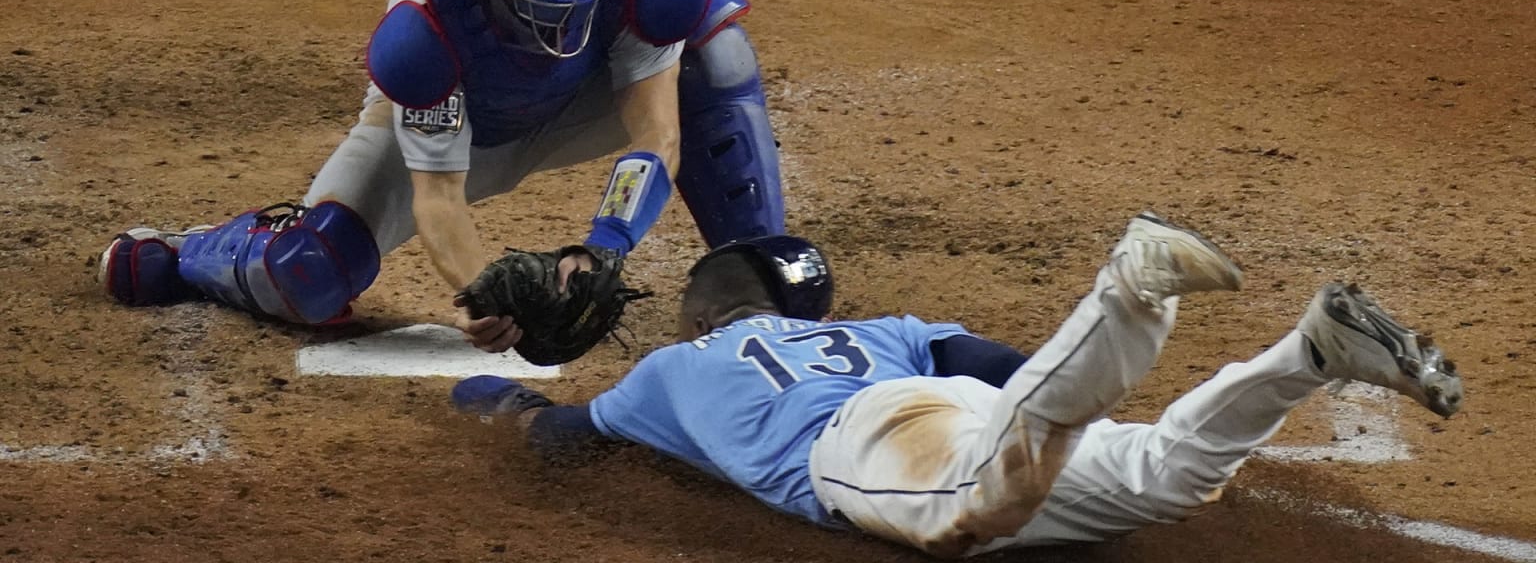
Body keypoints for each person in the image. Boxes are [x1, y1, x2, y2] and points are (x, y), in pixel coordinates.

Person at [97, 0, 786, 352]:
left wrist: (605, 245)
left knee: (714, 54)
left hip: (577, 103)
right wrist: (483, 295)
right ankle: (197, 255)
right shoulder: (428, 26)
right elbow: (439, 195)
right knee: (306, 273)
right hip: (466, 130)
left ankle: (769, 289)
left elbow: (655, 137)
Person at [452, 213, 1465, 557]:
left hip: (869, 450)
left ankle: (1132, 286)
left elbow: (557, 439)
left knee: (969, 514)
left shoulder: (671, 369)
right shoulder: (880, 329)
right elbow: (1009, 375)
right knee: (1160, 478)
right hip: (953, 412)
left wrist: (493, 397)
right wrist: (1049, 412)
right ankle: (1310, 356)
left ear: (704, 315)